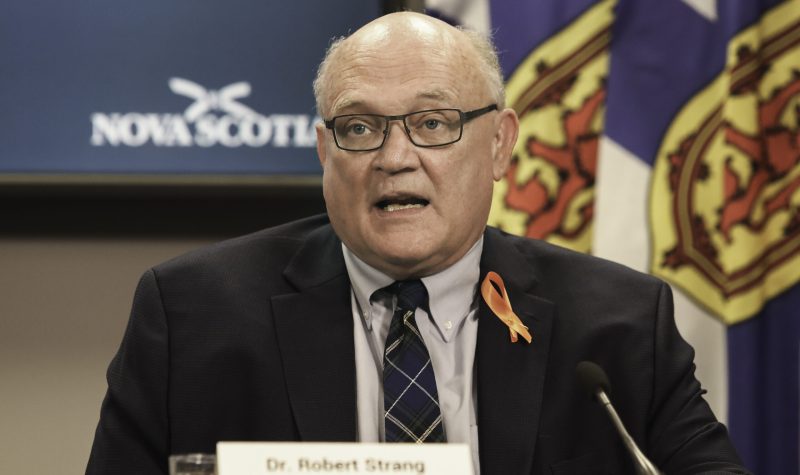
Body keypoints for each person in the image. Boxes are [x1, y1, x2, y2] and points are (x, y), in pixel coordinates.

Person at [86, 12, 749, 475]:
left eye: (433, 123)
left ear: (499, 145)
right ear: (325, 153)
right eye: (359, 127)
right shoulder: (191, 315)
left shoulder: (619, 325)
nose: (394, 156)